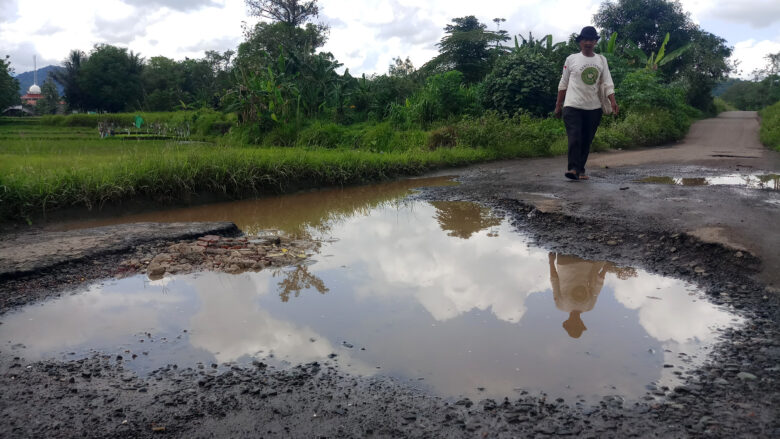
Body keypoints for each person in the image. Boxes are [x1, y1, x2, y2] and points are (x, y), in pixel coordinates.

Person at [555, 26, 619, 181]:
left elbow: (607, 82)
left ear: (595, 42)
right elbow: (563, 83)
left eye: (591, 39)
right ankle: (573, 169)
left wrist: (613, 101)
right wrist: (558, 105)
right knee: (574, 137)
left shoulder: (601, 60)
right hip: (572, 106)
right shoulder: (571, 59)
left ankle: (580, 170)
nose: (588, 42)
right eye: (585, 39)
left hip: (593, 107)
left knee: (586, 139)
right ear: (580, 42)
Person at [548, 252, 610, 338]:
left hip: (565, 262)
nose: (576, 323)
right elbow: (597, 286)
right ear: (582, 323)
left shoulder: (560, 305)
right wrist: (605, 269)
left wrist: (551, 261)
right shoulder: (589, 306)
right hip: (586, 262)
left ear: (567, 322)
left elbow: (554, 281)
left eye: (573, 325)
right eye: (578, 325)